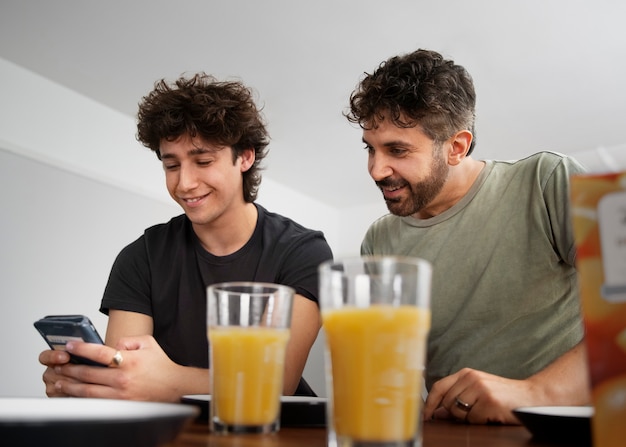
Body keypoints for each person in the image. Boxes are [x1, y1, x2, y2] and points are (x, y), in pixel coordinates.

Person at [39, 73, 333, 402]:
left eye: (203, 161)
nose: (185, 184)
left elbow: (275, 383)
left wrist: (172, 381)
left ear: (245, 157)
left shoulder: (304, 252)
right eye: (172, 165)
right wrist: (87, 381)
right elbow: (128, 380)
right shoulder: (142, 258)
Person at [345, 49, 589, 424]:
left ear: (456, 147)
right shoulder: (379, 239)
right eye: (370, 149)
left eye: (397, 150)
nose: (377, 170)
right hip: (448, 432)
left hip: (556, 431)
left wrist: (535, 394)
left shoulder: (547, 179)